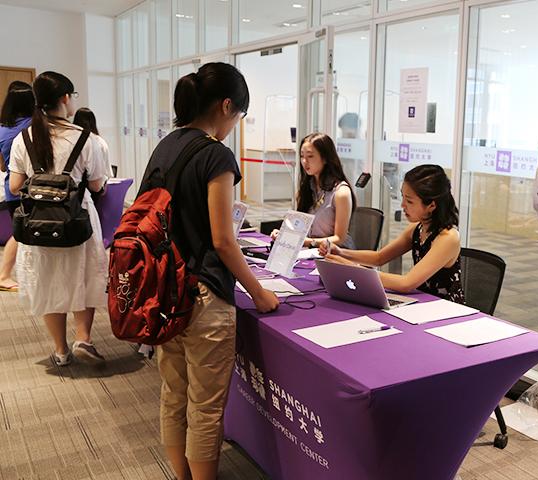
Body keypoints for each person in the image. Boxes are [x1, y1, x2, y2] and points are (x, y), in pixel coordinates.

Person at [142, 62, 278, 480]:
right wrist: (260, 293)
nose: (235, 125)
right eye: (239, 116)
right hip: (203, 296)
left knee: (174, 394)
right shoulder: (216, 154)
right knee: (204, 406)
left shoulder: (165, 147)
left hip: (165, 291)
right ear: (225, 106)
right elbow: (223, 239)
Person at [8, 72, 109, 365]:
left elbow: (15, 187)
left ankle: (61, 351)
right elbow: (97, 186)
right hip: (77, 218)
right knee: (85, 275)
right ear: (65, 98)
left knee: (49, 282)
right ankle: (84, 339)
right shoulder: (86, 139)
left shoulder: (24, 138)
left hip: (39, 223)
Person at [320, 164, 464, 303]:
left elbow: (406, 283)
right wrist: (340, 252)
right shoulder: (417, 228)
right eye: (403, 197)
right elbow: (379, 257)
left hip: (446, 310)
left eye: (409, 201)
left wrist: (354, 269)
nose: (402, 205)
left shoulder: (448, 238)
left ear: (431, 205)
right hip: (422, 303)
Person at [272, 132, 356, 249]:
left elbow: (339, 238)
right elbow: (300, 226)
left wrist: (308, 242)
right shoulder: (308, 188)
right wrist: (284, 233)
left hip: (337, 254)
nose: (304, 161)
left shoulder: (341, 192)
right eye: (302, 156)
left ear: (325, 158)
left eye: (310, 156)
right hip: (312, 252)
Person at [0, 81, 34, 292]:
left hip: (11, 188)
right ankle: (4, 275)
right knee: (21, 234)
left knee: (22, 232)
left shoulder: (2, 129)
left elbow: (2, 164)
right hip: (30, 188)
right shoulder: (33, 125)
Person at [72, 107, 112, 198]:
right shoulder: (100, 142)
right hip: (95, 190)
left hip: (75, 191)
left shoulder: (71, 141)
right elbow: (107, 173)